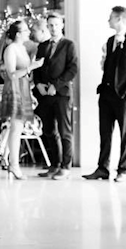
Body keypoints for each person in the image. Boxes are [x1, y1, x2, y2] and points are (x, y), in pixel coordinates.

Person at [84, 6, 126, 182]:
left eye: (110, 18)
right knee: (105, 132)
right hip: (107, 93)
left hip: (125, 95)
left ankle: (123, 169)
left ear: (119, 19)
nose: (108, 21)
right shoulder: (110, 41)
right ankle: (102, 168)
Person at [33, 13, 79, 180]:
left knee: (64, 131)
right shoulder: (43, 46)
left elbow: (72, 69)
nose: (53, 28)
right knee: (49, 131)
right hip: (45, 95)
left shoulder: (69, 45)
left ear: (62, 26)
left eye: (56, 25)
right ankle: (54, 165)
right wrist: (38, 84)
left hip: (61, 94)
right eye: (50, 25)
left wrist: (56, 85)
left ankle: (66, 167)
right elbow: (37, 68)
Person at [0, 20, 45, 179]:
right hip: (14, 88)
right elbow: (11, 74)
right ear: (17, 34)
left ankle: (12, 162)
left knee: (17, 127)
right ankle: (14, 164)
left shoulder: (23, 48)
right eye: (25, 30)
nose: (28, 33)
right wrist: (32, 67)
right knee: (16, 127)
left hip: (23, 86)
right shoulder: (11, 49)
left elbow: (24, 72)